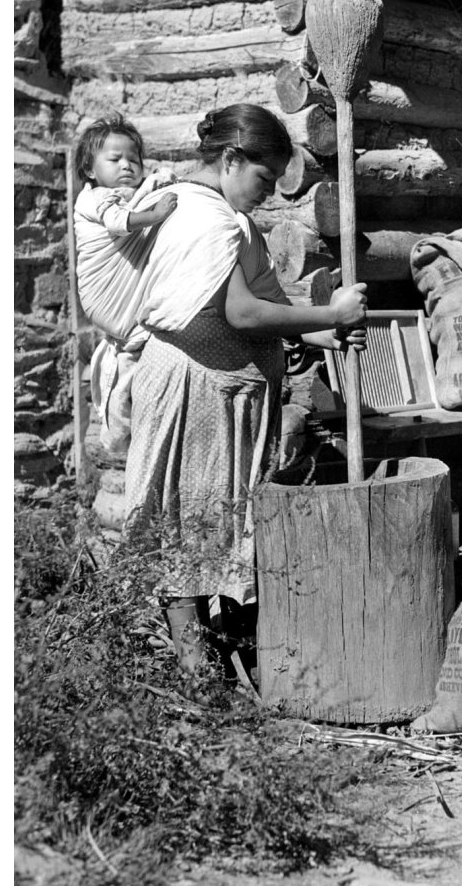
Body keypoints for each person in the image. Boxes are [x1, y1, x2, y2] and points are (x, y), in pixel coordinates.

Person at [123, 103, 368, 679]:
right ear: (232, 159)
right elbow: (241, 312)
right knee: (187, 522)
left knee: (218, 520)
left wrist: (328, 332)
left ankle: (220, 657)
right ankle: (195, 669)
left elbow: (270, 310)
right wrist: (329, 308)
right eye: (263, 177)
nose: (269, 193)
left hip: (218, 390)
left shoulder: (224, 217)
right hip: (194, 388)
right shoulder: (205, 219)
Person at [72, 113, 179, 454]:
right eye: (115, 159)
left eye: (134, 159)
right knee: (135, 345)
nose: (127, 166)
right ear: (90, 169)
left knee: (133, 353)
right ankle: (118, 429)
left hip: (122, 300)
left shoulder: (124, 195)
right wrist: (157, 214)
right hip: (103, 293)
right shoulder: (95, 197)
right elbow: (120, 223)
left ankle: (123, 428)